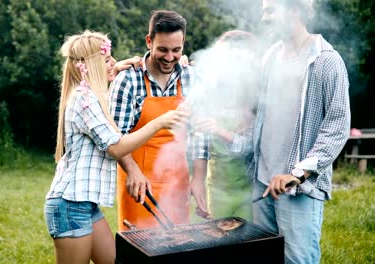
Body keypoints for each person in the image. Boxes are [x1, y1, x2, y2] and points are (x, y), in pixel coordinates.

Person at [43, 30, 188, 264]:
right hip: (69, 206)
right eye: (107, 60)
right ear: (90, 65)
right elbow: (117, 147)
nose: (113, 62)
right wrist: (159, 122)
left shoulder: (89, 95)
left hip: (85, 206)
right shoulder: (85, 101)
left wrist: (114, 69)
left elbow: (101, 89)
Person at [229, 0, 350, 263]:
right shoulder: (270, 56)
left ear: (294, 10)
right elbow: (260, 112)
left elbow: (337, 126)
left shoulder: (326, 61)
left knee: (297, 260)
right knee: (264, 257)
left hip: (299, 188)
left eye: (270, 11)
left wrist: (297, 173)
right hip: (262, 182)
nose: (265, 18)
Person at [110, 10, 210, 230]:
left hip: (177, 181)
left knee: (177, 247)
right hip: (137, 181)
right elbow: (116, 137)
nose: (169, 57)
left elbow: (200, 133)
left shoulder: (192, 77)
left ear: (183, 43)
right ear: (149, 41)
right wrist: (134, 172)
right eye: (162, 49)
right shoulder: (128, 80)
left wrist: (199, 178)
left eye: (176, 50)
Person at [193, 30, 260, 221]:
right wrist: (198, 182)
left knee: (246, 243)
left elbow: (252, 147)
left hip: (248, 191)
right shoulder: (210, 89)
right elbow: (200, 143)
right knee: (219, 242)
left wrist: (220, 131)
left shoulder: (254, 96)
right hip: (217, 189)